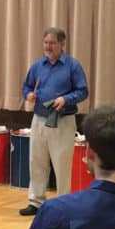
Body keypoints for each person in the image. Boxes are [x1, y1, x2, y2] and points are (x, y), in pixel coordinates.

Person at [18, 27, 89, 216]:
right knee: (36, 161)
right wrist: (29, 94)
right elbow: (26, 86)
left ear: (62, 44)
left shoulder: (72, 66)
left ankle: (63, 203)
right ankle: (36, 201)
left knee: (62, 163)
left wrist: (66, 99)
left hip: (63, 120)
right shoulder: (37, 66)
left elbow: (83, 91)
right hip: (39, 118)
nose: (48, 47)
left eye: (52, 43)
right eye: (46, 43)